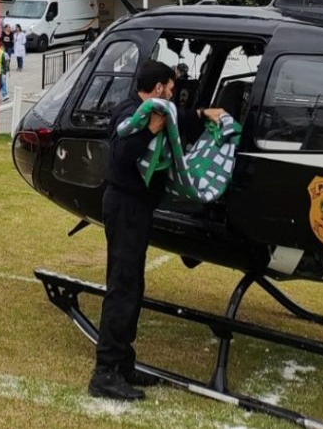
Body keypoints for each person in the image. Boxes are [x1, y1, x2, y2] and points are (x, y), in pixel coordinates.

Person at [90, 60, 225, 402]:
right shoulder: (130, 113)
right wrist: (150, 130)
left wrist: (204, 115)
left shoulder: (158, 111)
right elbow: (120, 155)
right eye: (170, 86)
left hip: (138, 208)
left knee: (133, 285)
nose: (173, 92)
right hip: (124, 206)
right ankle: (104, 372)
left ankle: (123, 362)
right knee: (122, 285)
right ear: (159, 86)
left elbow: (178, 120)